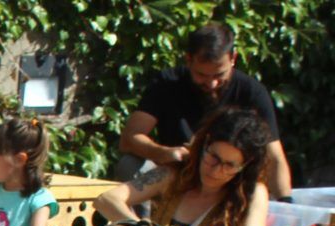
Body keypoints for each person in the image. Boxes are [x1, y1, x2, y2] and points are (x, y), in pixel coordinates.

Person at [95, 107, 270, 226]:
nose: (216, 171)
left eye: (230, 165)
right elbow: (106, 200)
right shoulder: (172, 175)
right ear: (205, 144)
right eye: (214, 158)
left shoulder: (253, 195)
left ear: (245, 166)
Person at [120, 23, 290, 198]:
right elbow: (129, 139)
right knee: (129, 164)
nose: (211, 84)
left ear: (233, 58)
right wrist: (163, 153)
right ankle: (139, 224)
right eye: (201, 75)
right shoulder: (167, 83)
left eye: (219, 75)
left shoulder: (252, 92)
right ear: (188, 60)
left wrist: (287, 205)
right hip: (176, 172)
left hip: (228, 179)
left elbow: (274, 157)